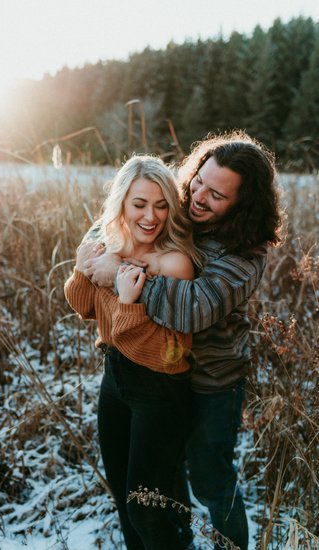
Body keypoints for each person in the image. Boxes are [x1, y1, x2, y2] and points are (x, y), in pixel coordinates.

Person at [81, 131, 284, 550]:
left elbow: (193, 307)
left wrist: (124, 280)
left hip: (211, 381)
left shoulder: (246, 253)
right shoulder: (182, 201)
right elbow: (120, 213)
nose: (198, 197)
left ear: (242, 205)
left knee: (209, 478)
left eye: (216, 195)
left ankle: (231, 545)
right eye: (198, 182)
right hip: (157, 371)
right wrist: (100, 251)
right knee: (160, 481)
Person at [64, 155, 202, 550]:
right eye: (140, 204)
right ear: (122, 202)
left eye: (161, 205)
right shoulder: (111, 246)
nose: (151, 216)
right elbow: (83, 306)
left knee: (148, 507)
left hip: (161, 389)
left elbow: (149, 344)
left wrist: (127, 301)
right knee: (125, 502)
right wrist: (80, 270)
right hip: (116, 380)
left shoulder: (174, 262)